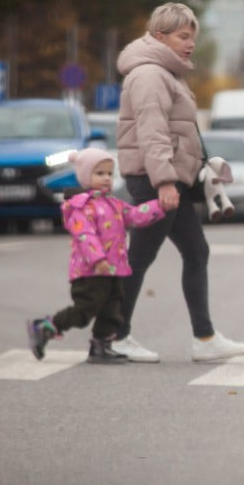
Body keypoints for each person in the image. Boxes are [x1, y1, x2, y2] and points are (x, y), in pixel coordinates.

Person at [110, 2, 244, 363]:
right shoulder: (149, 75)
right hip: (154, 180)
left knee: (196, 251)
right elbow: (152, 132)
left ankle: (204, 338)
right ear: (159, 37)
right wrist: (165, 183)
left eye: (192, 37)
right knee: (139, 257)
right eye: (182, 36)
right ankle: (113, 335)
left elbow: (178, 131)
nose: (190, 44)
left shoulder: (168, 74)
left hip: (172, 179)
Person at [26, 148, 166, 364]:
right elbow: (85, 236)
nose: (106, 178)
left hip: (114, 269)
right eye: (99, 173)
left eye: (110, 174)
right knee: (86, 308)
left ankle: (100, 346)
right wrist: (98, 260)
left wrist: (160, 206)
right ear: (85, 176)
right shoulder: (81, 207)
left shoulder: (114, 204)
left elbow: (136, 215)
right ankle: (46, 327)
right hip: (90, 271)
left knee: (113, 309)